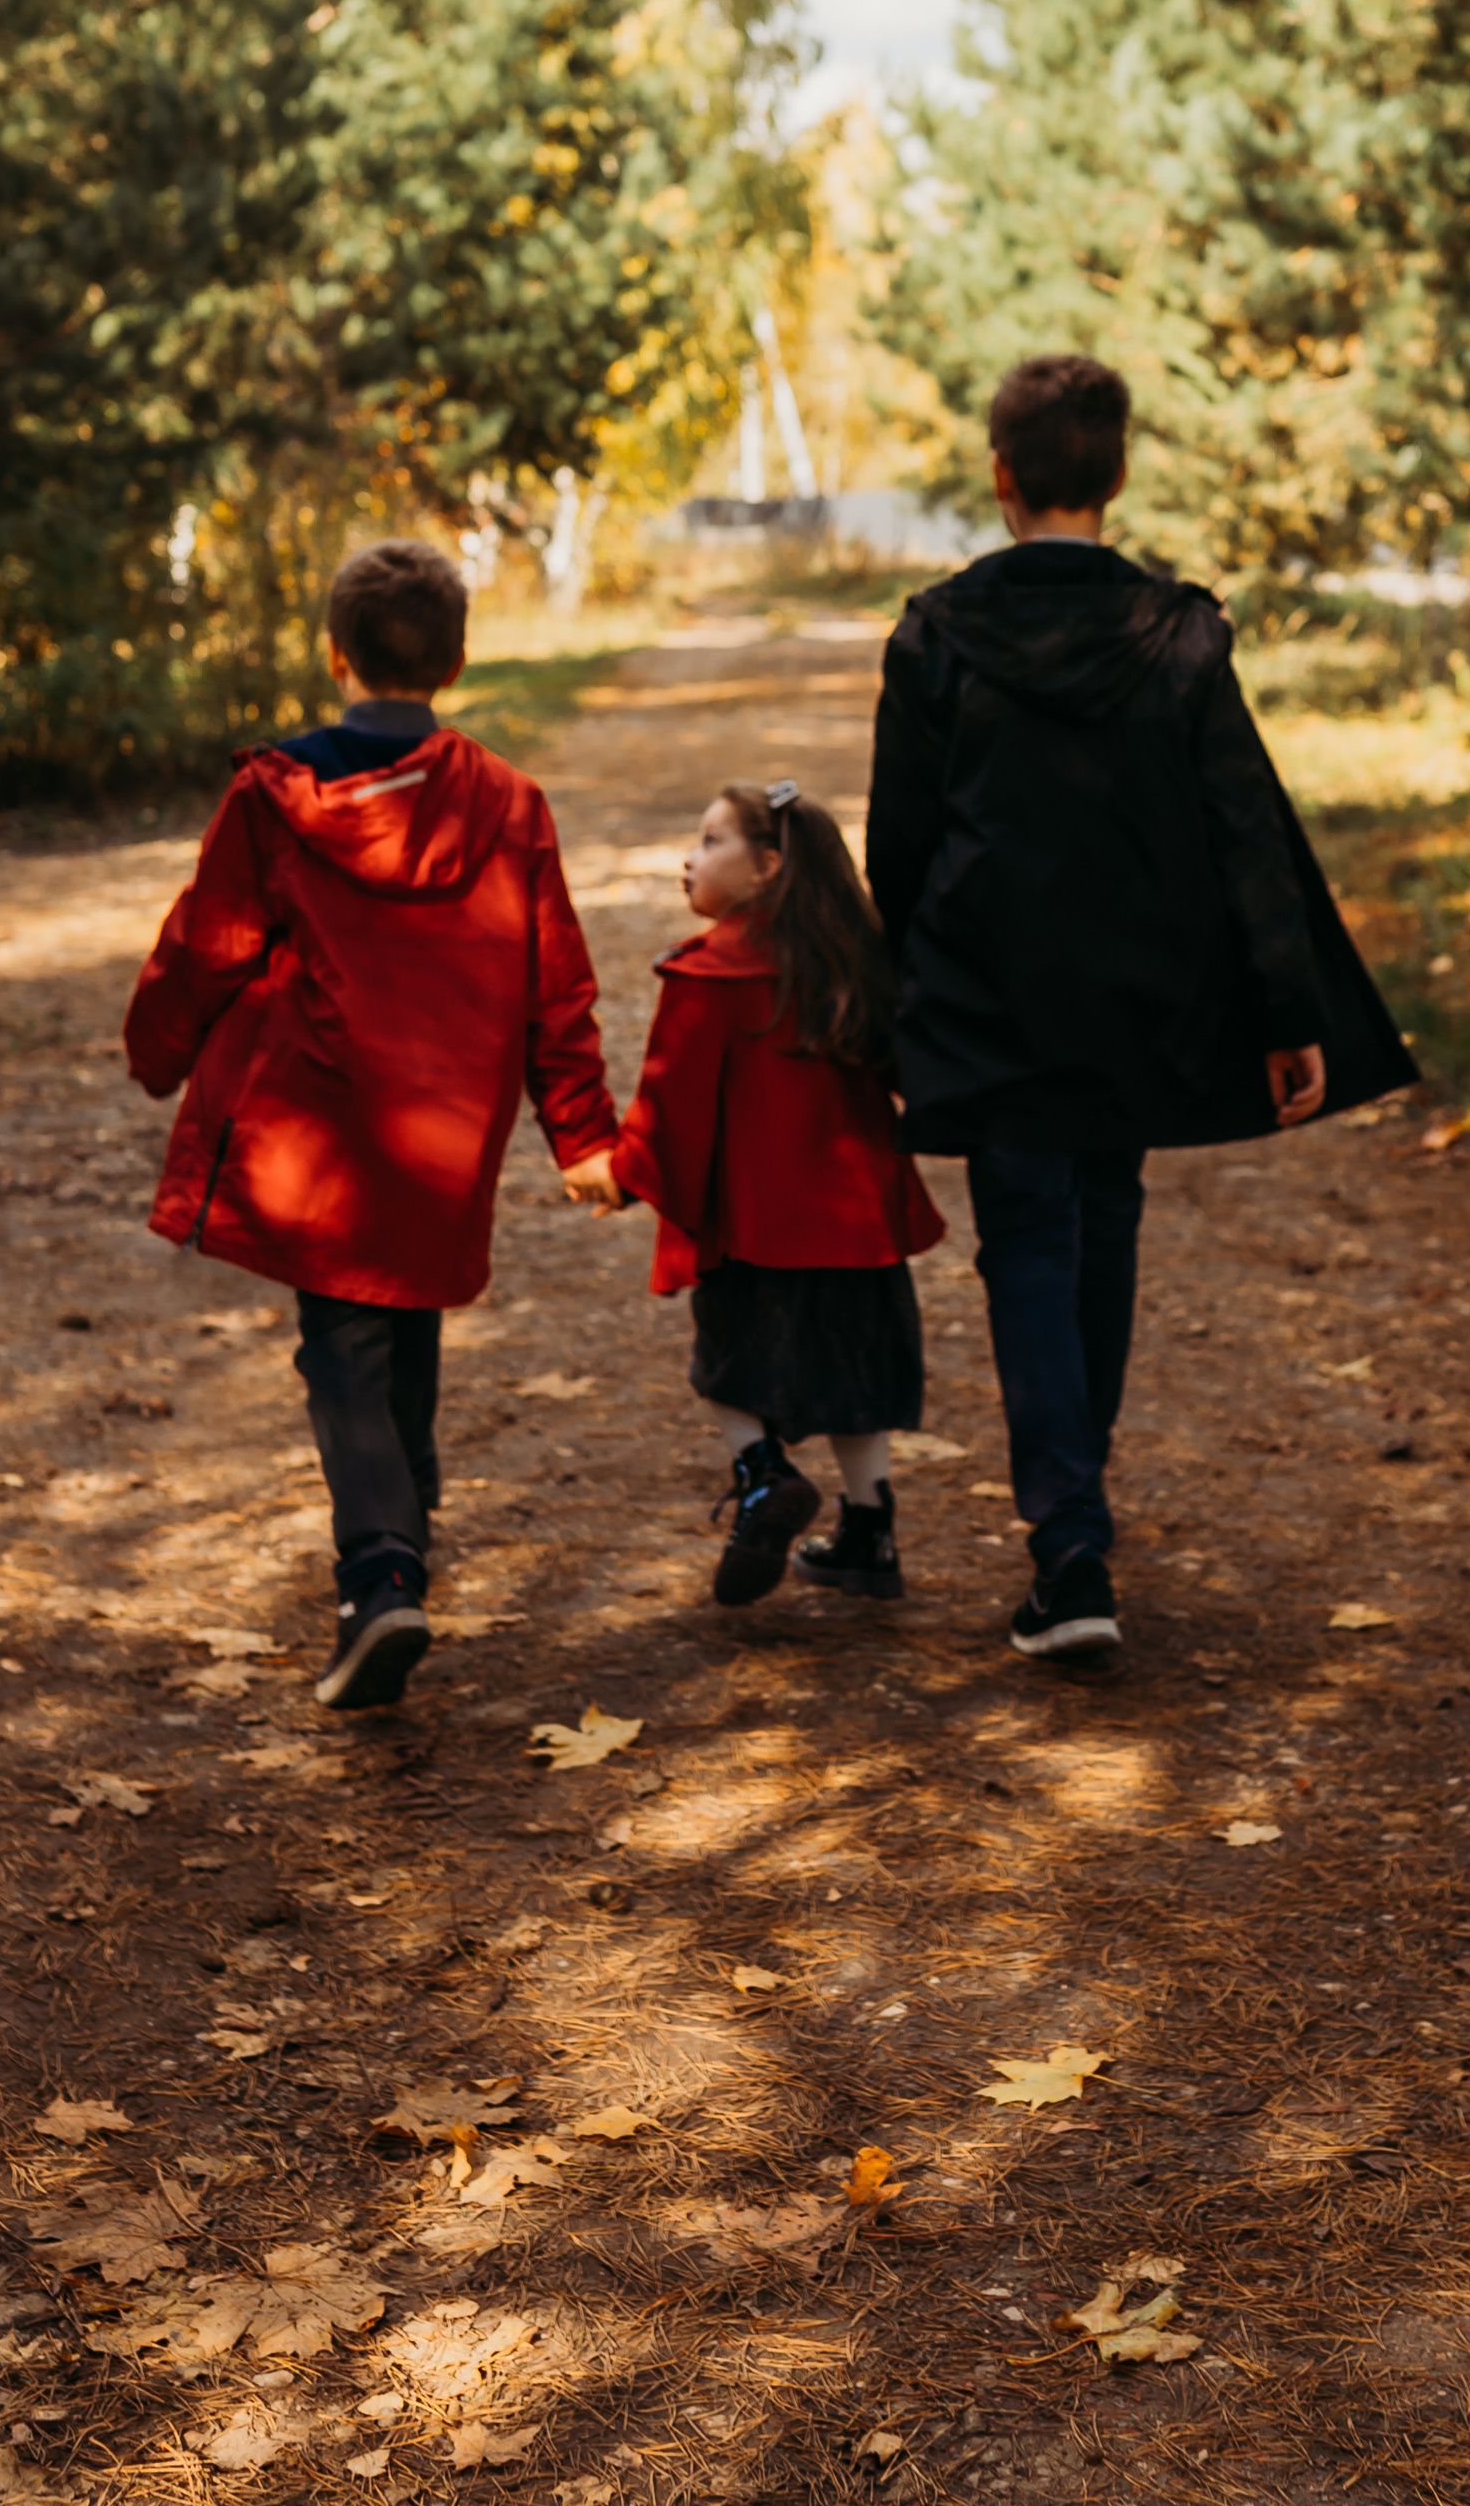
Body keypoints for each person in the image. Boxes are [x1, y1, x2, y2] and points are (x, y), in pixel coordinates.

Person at [865, 352, 1415, 1668]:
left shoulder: (936, 637)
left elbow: (898, 845)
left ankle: (1071, 1539)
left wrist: (901, 1003)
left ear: (1001, 476)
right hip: (1138, 996)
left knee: (1032, 1250)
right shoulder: (1177, 634)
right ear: (1117, 473)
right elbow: (1246, 835)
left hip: (997, 998)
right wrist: (1291, 1011)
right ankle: (1074, 1523)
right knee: (1101, 1229)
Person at [124, 536, 619, 1713]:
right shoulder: (506, 801)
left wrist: (158, 1050)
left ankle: (380, 1574)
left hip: (322, 1121)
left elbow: (209, 942)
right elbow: (559, 979)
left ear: (334, 654)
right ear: (454, 659)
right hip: (445, 1122)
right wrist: (583, 1132)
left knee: (345, 1348)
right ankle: (405, 1539)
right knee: (399, 1323)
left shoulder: (275, 796)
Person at [600, 778, 944, 1609]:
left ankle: (761, 1476)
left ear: (767, 869)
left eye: (711, 841)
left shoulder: (709, 976)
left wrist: (626, 1173)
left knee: (729, 1368)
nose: (690, 857)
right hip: (859, 1223)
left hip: (753, 1226)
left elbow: (671, 1103)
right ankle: (871, 1531)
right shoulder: (851, 965)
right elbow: (912, 1075)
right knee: (859, 1380)